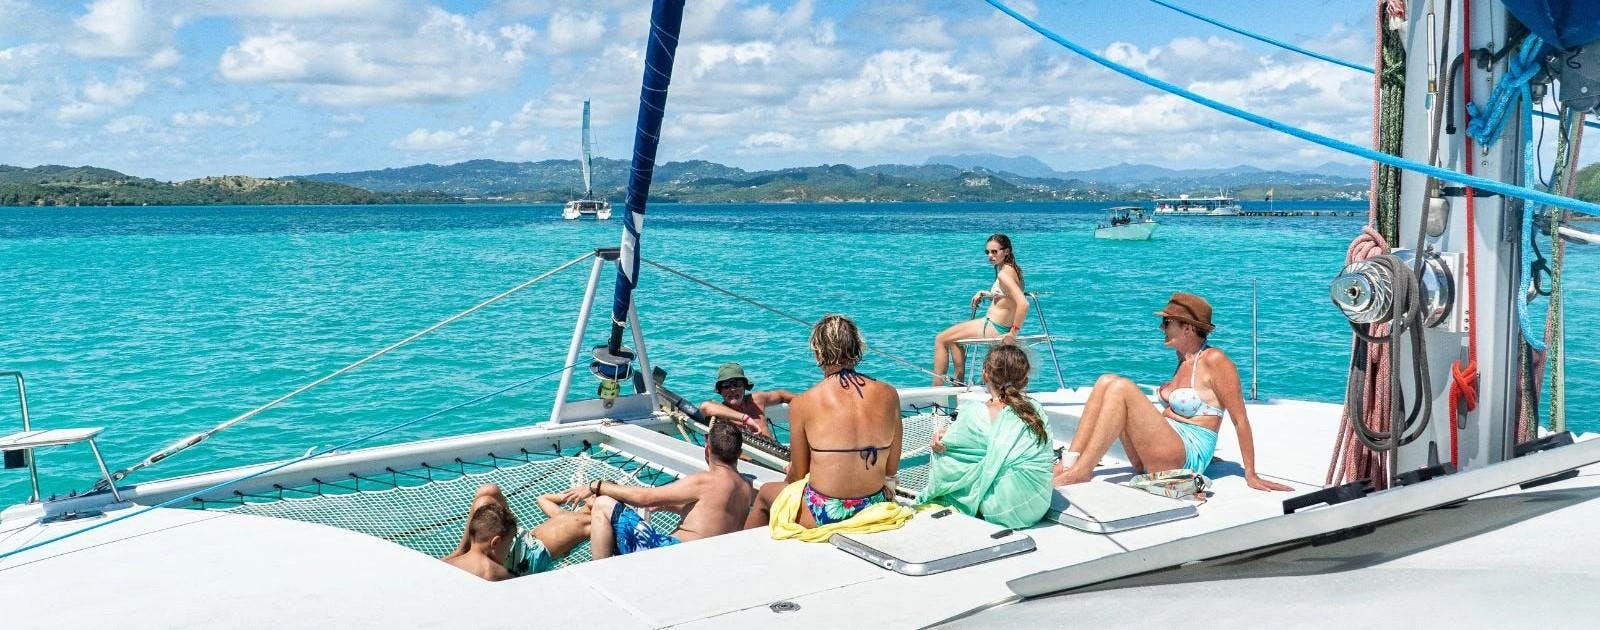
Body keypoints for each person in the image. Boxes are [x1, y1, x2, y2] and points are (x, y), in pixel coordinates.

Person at [1052, 293, 1293, 492]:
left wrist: (1250, 473)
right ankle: (1069, 463)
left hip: (1184, 456)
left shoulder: (1215, 360)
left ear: (1187, 328)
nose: (1161, 328)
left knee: (1121, 387)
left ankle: (1083, 471)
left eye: (1167, 323)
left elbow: (1240, 420)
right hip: (1162, 451)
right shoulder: (1183, 359)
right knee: (1106, 380)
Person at [745, 314, 903, 528]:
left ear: (818, 351)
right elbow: (891, 468)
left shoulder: (803, 403)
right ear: (857, 347)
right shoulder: (889, 394)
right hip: (875, 503)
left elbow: (798, 475)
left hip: (825, 511)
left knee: (765, 494)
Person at [568, 419, 755, 559]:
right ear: (739, 453)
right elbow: (713, 514)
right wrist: (670, 507)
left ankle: (599, 572)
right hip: (706, 558)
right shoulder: (746, 486)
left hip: (673, 555)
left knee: (602, 504)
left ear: (707, 450)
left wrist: (597, 486)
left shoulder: (705, 481)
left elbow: (645, 498)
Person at [922, 344, 1056, 528]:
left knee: (945, 458)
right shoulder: (1035, 410)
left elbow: (951, 450)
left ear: (985, 374)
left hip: (998, 510)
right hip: (1036, 503)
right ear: (1025, 379)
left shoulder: (974, 413)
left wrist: (941, 439)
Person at [932, 233, 1028, 386]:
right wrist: (987, 293)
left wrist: (1013, 334)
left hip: (993, 327)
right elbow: (1008, 296)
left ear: (1007, 251)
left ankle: (935, 394)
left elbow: (1023, 304)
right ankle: (958, 385)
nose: (990, 256)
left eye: (994, 252)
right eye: (987, 252)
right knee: (954, 341)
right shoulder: (1013, 269)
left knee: (941, 339)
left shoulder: (1004, 274)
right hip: (996, 324)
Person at [442, 484, 594, 580]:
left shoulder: (589, 522)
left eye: (596, 496)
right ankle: (462, 550)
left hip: (525, 558)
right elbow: (542, 499)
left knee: (484, 500)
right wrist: (576, 496)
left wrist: (598, 504)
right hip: (518, 537)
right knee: (488, 491)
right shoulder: (562, 514)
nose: (592, 496)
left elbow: (601, 528)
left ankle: (474, 553)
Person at [698, 362, 796, 439]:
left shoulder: (757, 400)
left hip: (775, 456)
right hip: (746, 462)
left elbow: (782, 395)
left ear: (744, 386)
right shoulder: (722, 412)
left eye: (737, 384)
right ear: (720, 391)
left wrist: (807, 407)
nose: (732, 389)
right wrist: (745, 418)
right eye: (726, 386)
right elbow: (705, 407)